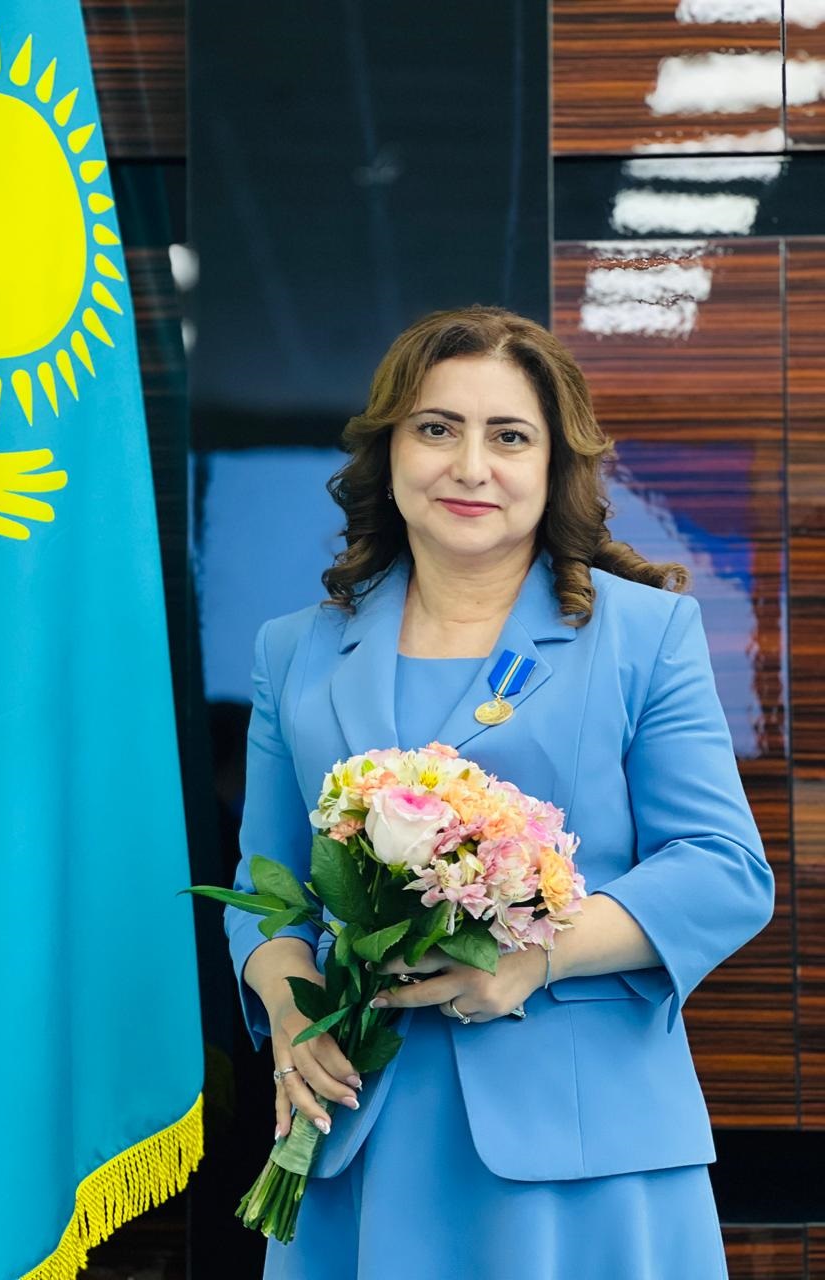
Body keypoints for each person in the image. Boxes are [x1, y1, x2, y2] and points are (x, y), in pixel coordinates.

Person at [224, 304, 776, 1279]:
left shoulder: (645, 634)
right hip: (359, 1126)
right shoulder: (294, 650)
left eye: (509, 436)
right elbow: (266, 889)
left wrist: (534, 956)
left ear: (555, 463)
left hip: (585, 1146)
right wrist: (290, 1003)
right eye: (437, 428)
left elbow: (723, 869)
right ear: (389, 451)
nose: (470, 466)